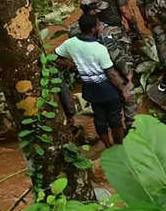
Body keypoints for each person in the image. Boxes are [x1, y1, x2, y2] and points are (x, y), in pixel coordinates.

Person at [55, 15, 132, 147]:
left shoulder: (70, 43)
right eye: (98, 25)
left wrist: (73, 65)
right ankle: (119, 146)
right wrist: (124, 89)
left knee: (99, 119)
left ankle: (108, 146)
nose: (100, 27)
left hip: (90, 89)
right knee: (115, 120)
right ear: (92, 29)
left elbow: (56, 57)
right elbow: (111, 74)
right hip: (107, 90)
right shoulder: (99, 49)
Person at [71, 0, 137, 129]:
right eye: (98, 9)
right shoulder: (101, 28)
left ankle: (105, 132)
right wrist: (127, 72)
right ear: (92, 10)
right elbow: (113, 53)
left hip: (89, 74)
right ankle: (131, 129)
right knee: (129, 97)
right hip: (109, 71)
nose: (101, 11)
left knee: (99, 111)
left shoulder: (73, 30)